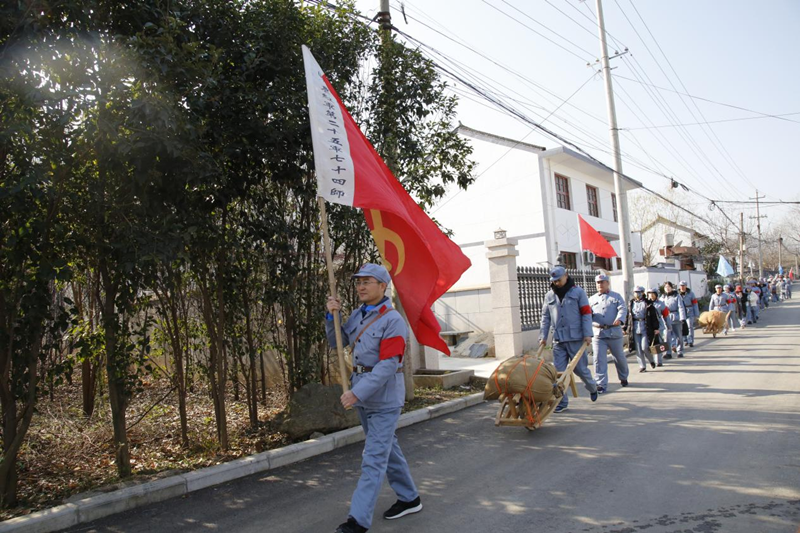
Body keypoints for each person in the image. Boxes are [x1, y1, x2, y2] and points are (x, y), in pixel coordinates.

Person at [326, 264, 421, 533]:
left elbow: (389, 364)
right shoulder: (358, 314)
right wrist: (332, 315)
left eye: (367, 282)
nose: (361, 287)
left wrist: (356, 392)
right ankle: (410, 498)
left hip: (384, 399)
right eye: (359, 282)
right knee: (386, 448)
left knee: (374, 457)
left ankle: (358, 521)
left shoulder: (393, 321)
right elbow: (338, 342)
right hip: (363, 396)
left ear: (383, 286)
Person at [539, 265, 598, 413]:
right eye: (554, 281)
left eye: (558, 280)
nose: (556, 283)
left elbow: (586, 314)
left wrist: (587, 334)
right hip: (558, 339)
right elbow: (545, 317)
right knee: (558, 373)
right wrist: (543, 337)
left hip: (576, 338)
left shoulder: (578, 292)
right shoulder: (549, 296)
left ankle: (592, 387)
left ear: (566, 275)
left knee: (580, 370)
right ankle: (561, 402)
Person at [589, 273, 629, 393]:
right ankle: (600, 384)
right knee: (599, 359)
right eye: (598, 283)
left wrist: (620, 318)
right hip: (598, 333)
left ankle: (623, 377)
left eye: (602, 282)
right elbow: (587, 314)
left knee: (619, 357)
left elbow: (623, 308)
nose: (600, 285)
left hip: (614, 332)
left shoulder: (616, 297)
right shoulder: (591, 299)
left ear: (608, 283)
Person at [625, 286, 658, 372]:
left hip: (645, 325)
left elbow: (654, 316)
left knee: (645, 347)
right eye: (636, 292)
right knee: (638, 348)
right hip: (635, 325)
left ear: (643, 293)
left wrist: (656, 328)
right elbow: (628, 316)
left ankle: (651, 360)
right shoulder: (631, 303)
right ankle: (642, 366)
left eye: (639, 292)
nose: (637, 294)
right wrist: (625, 327)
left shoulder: (648, 303)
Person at [660, 281, 687, 358]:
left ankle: (680, 351)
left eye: (669, 287)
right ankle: (668, 352)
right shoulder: (662, 297)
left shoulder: (676, 296)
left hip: (675, 317)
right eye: (666, 287)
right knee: (667, 336)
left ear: (672, 287)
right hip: (665, 318)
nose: (667, 288)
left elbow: (681, 307)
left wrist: (682, 318)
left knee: (678, 335)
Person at [647, 287, 669, 365]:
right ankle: (654, 359)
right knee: (652, 343)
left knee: (659, 342)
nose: (651, 296)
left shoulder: (661, 304)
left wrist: (668, 325)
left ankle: (659, 360)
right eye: (649, 294)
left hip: (659, 325)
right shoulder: (646, 304)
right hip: (650, 326)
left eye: (653, 294)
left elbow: (666, 315)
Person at [678, 281, 699, 347]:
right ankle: (685, 340)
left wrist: (696, 314)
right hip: (681, 312)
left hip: (689, 311)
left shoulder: (691, 294)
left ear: (686, 286)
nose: (682, 287)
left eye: (684, 285)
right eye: (681, 285)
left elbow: (695, 304)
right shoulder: (677, 294)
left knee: (690, 326)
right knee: (682, 327)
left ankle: (690, 341)